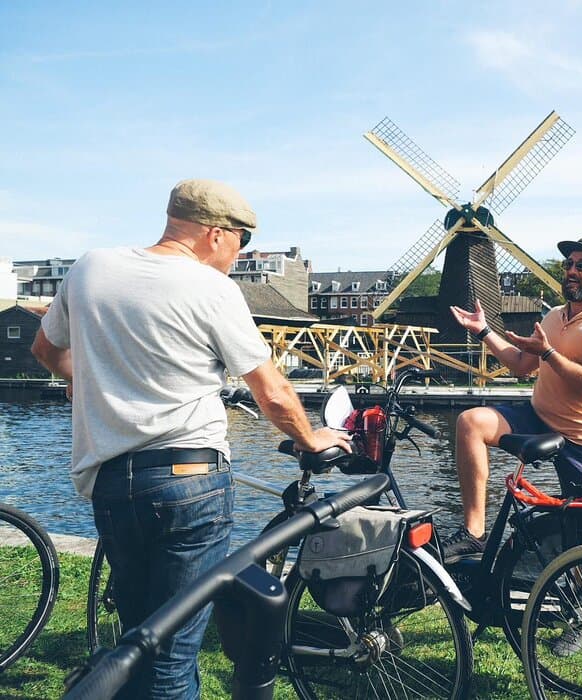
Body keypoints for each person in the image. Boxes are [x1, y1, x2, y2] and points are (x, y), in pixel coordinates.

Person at [31, 179, 351, 700]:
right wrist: (310, 436)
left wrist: (83, 379)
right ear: (216, 234)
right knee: (174, 656)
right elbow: (271, 390)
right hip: (189, 480)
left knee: (138, 638)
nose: (238, 255)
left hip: (113, 484)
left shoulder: (90, 268)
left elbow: (46, 349)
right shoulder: (212, 289)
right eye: (242, 243)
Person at [444, 237, 582, 560]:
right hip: (537, 418)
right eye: (568, 264)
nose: (571, 271)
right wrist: (484, 332)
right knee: (470, 423)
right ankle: (475, 532)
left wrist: (548, 351)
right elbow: (521, 364)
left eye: (581, 266)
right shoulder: (554, 317)